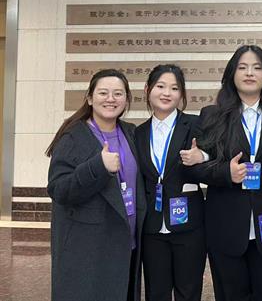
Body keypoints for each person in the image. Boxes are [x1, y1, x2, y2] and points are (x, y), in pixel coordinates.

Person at [187, 45, 262, 301]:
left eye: (257, 67)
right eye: (242, 67)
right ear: (231, 74)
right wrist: (227, 173)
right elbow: (195, 167)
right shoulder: (212, 115)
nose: (249, 73)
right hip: (226, 223)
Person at [47, 69, 146, 301]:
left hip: (126, 241)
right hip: (88, 248)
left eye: (118, 93)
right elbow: (58, 189)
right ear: (90, 98)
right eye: (103, 93)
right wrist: (98, 167)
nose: (111, 99)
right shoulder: (73, 136)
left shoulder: (130, 132)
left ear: (127, 100)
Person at [134, 64, 208, 301]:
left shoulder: (195, 124)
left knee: (189, 291)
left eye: (174, 88)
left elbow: (218, 154)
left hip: (189, 225)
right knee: (156, 292)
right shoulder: (137, 133)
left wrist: (202, 156)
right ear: (147, 90)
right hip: (152, 226)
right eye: (160, 86)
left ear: (182, 94)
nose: (167, 93)